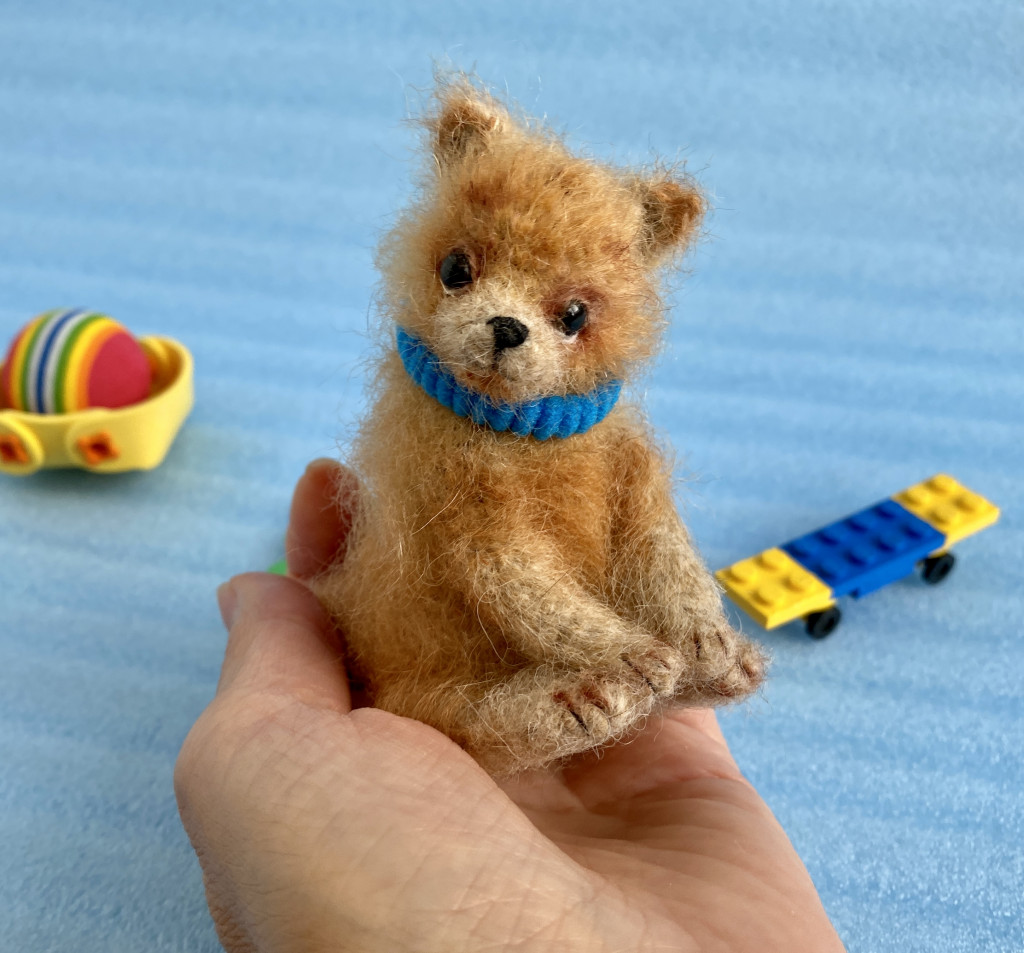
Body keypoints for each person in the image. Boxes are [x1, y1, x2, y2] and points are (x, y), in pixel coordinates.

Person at [175, 459, 846, 952]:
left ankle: (652, 676)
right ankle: (571, 698)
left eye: (571, 320)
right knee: (450, 698)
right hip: (432, 672)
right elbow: (498, 568)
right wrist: (612, 647)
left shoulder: (613, 444)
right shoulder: (439, 450)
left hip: (574, 656)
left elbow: (657, 540)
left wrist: (690, 623)